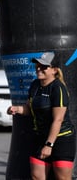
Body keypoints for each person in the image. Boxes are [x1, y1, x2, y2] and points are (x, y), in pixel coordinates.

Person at [7, 52, 76, 180]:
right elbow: (29, 108)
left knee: (62, 178)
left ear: (54, 70)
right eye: (37, 65)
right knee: (37, 177)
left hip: (61, 139)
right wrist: (17, 109)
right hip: (40, 137)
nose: (39, 68)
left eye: (44, 66)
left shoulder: (58, 88)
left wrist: (49, 145)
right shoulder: (35, 85)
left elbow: (58, 119)